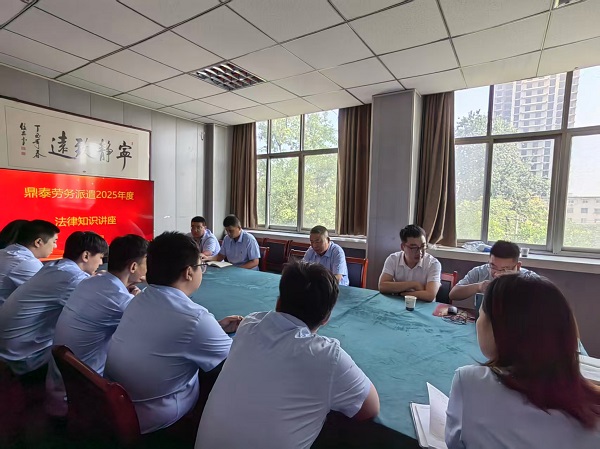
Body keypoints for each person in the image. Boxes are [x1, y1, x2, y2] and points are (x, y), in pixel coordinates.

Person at [195, 262, 379, 449]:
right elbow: (369, 409)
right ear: (326, 318)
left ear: (278, 303)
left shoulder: (249, 324)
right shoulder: (328, 357)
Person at [104, 232, 242, 437]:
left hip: (116, 402)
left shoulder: (140, 299)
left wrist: (216, 328)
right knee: (222, 377)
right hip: (154, 412)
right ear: (188, 272)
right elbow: (235, 360)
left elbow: (172, 335)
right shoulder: (194, 318)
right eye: (200, 266)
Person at [445, 274, 600, 449]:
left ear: (499, 329)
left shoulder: (469, 382)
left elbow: (454, 443)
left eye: (481, 315)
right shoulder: (590, 409)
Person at [0, 231, 108, 377]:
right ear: (86, 256)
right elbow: (101, 311)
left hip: (9, 347)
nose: (101, 263)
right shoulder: (73, 278)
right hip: (23, 356)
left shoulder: (55, 267)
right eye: (100, 257)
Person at [449, 240, 533, 303]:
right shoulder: (480, 272)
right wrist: (478, 287)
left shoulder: (529, 278)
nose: (497, 274)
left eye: (505, 269)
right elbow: (453, 294)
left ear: (517, 266)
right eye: (493, 266)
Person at [0, 220, 60, 305]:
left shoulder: (6, 252)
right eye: (54, 241)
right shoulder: (26, 262)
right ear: (38, 242)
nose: (55, 246)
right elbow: (50, 294)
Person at [378, 225, 441, 301]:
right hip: (399, 303)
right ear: (403, 247)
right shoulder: (393, 259)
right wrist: (414, 284)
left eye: (423, 246)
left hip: (424, 304)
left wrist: (402, 294)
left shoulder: (433, 264)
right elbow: (382, 286)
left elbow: (430, 295)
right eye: (413, 247)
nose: (419, 252)